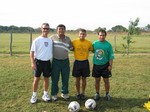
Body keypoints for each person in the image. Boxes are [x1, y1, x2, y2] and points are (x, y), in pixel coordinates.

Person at [30, 23, 53, 104]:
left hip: (47, 62)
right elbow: (32, 53)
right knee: (36, 79)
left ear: (49, 30)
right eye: (44, 28)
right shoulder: (37, 40)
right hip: (38, 62)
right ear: (41, 29)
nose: (45, 30)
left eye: (47, 28)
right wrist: (33, 63)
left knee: (46, 79)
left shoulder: (50, 40)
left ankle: (45, 94)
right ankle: (34, 95)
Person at [50, 24, 73, 101]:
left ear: (64, 30)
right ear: (57, 30)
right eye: (59, 29)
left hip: (65, 61)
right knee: (54, 79)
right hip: (55, 61)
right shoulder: (52, 38)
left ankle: (64, 93)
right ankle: (54, 94)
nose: (61, 30)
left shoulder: (68, 39)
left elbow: (72, 48)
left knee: (65, 78)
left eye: (62, 29)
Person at [92, 29, 114, 101]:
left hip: (105, 65)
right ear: (98, 36)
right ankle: (97, 93)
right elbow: (91, 50)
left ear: (105, 36)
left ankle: (107, 94)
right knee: (97, 80)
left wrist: (110, 65)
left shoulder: (108, 45)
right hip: (96, 65)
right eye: (100, 35)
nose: (102, 37)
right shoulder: (94, 44)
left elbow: (111, 56)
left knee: (106, 80)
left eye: (103, 35)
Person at [72, 29, 93, 100]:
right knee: (77, 79)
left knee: (84, 78)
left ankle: (83, 93)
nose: (82, 35)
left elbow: (92, 49)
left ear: (86, 35)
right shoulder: (74, 42)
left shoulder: (89, 43)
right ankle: (78, 93)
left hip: (85, 62)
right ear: (78, 34)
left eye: (83, 34)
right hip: (77, 62)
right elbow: (71, 48)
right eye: (80, 34)